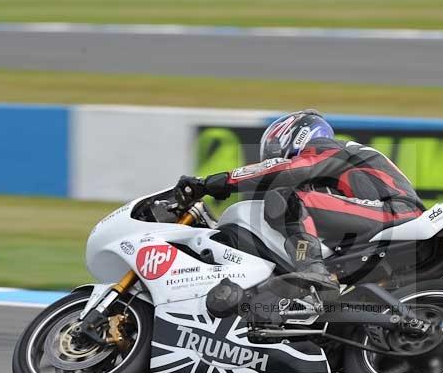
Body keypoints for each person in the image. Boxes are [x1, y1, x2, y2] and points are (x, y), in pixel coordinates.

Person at [175, 109, 425, 300]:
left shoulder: (327, 148)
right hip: (386, 220)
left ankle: (313, 270)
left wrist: (211, 183)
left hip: (396, 212)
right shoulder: (333, 177)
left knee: (288, 199)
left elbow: (291, 171)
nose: (272, 158)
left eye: (274, 152)